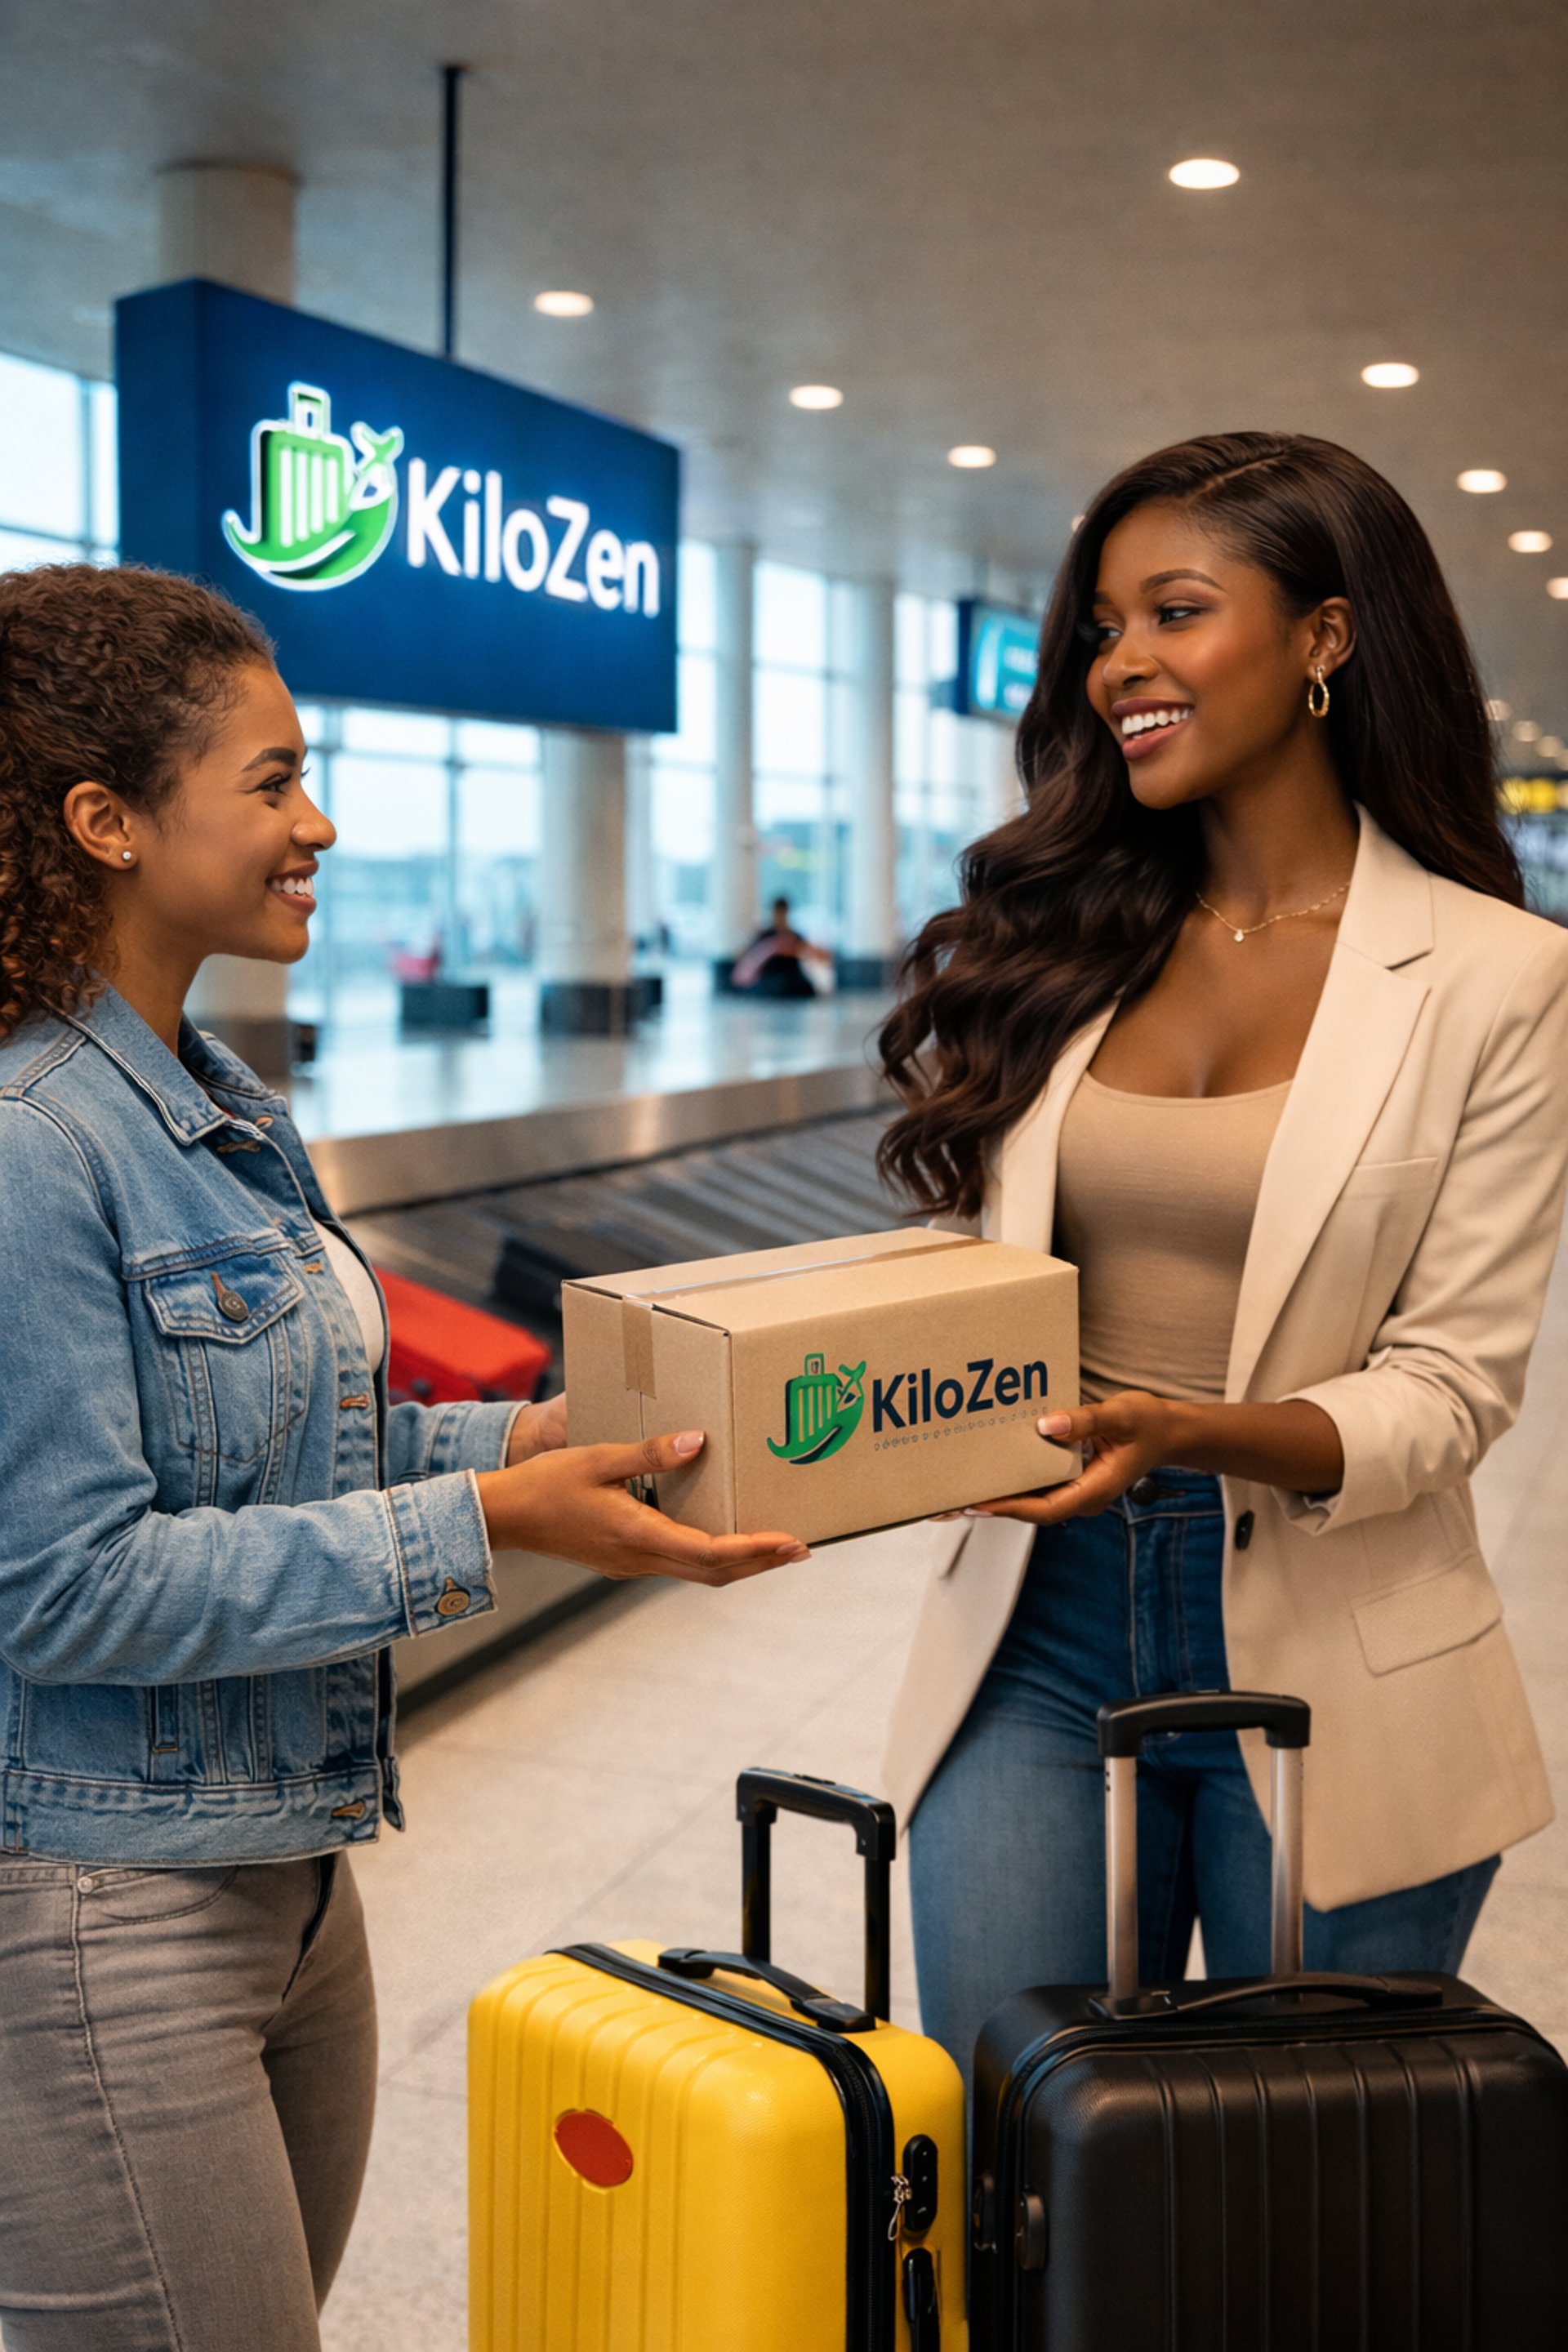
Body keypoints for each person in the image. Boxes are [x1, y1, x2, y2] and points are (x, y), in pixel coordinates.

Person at [0, 564, 808, 2352]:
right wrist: (480, 1518)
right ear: (104, 820)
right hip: (93, 1918)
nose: (322, 820)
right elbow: (62, 1587)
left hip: (288, 1880)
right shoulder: (29, 1149)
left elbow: (280, 1447)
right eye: (274, 781)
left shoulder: (213, 1104)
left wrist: (521, 1440)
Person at [875, 432, 1568, 2077]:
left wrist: (1189, 1434)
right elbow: (983, 1270)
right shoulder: (1063, 942)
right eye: (1105, 627)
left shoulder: (1497, 978)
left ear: (1325, 639)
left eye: (1176, 612)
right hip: (1036, 1622)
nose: (1124, 666)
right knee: (1010, 2159)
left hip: (1342, 1631)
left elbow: (1450, 1390)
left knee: (1293, 2200)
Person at [729, 896, 831, 996]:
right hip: (771, 979)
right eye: (778, 912)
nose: (780, 916)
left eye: (783, 912)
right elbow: (745, 957)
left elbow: (819, 954)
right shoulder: (765, 935)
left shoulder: (795, 936)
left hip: (791, 977)